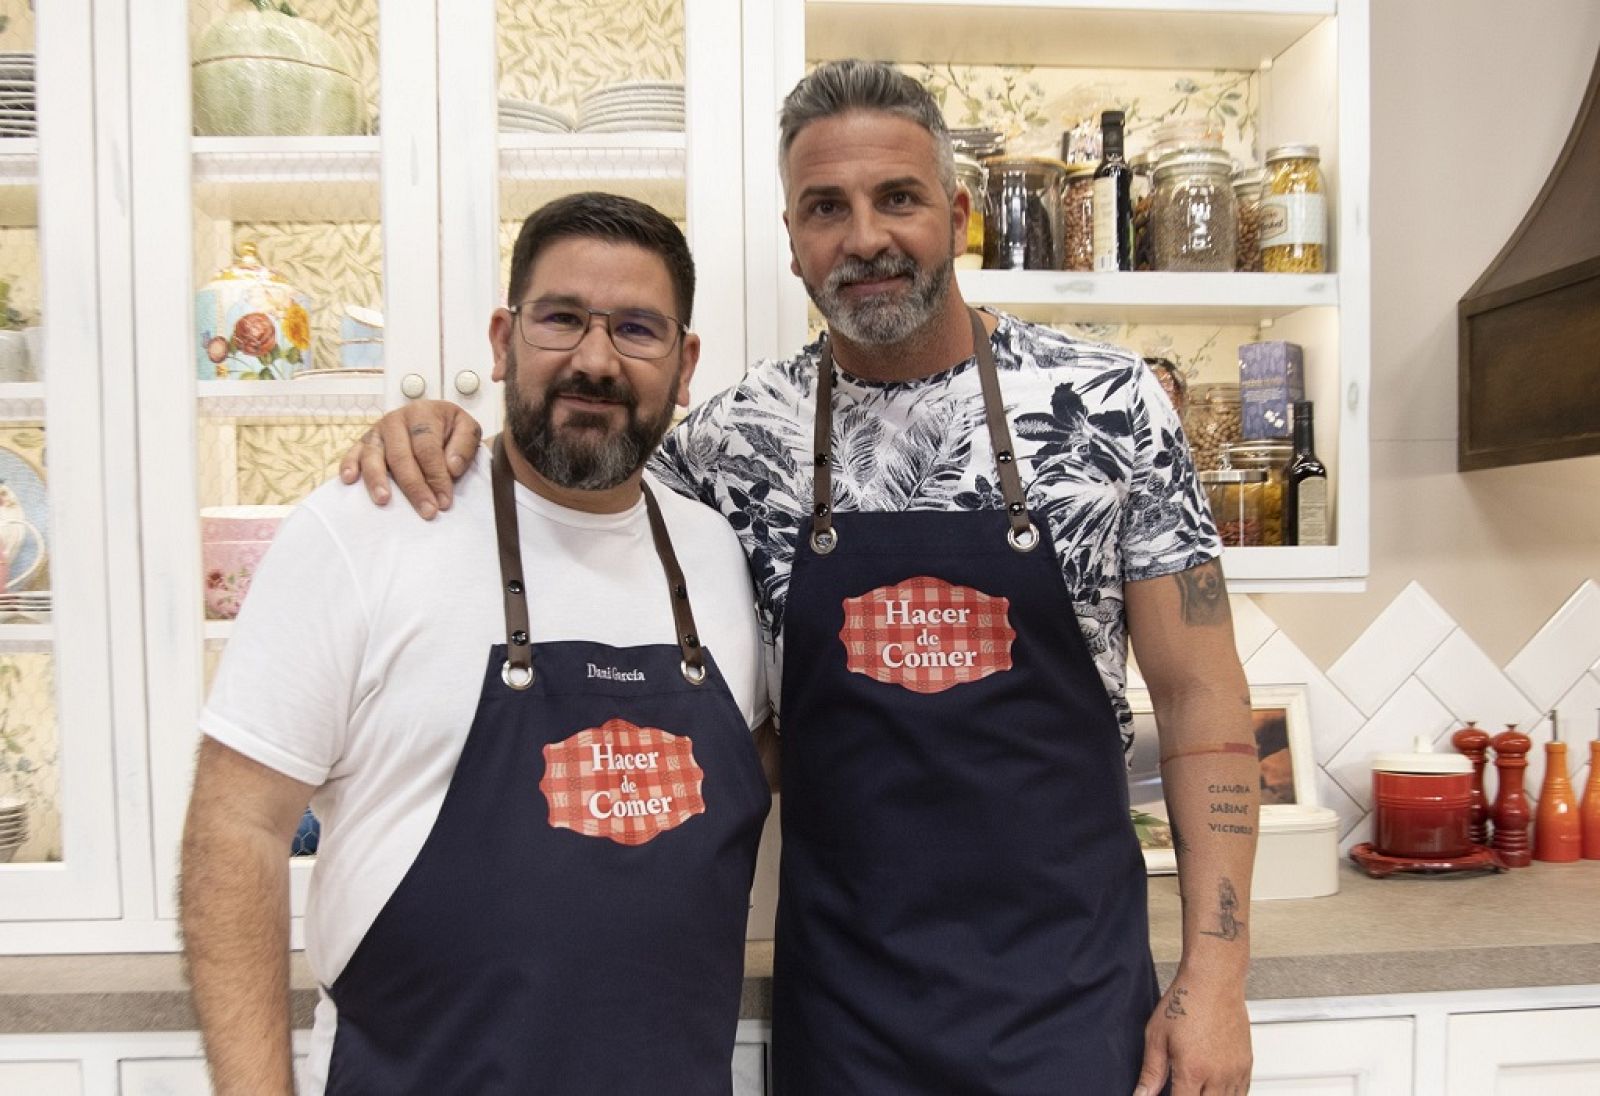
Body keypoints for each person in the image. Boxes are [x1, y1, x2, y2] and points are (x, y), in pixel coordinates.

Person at [343, 61, 1260, 1096]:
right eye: (825, 208)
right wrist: (446, 432)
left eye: (897, 198)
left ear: (956, 214)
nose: (863, 237)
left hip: (1074, 1007)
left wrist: (1215, 978)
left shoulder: (1106, 405)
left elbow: (1198, 698)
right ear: (791, 242)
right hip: (846, 1022)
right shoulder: (730, 446)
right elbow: (569, 479)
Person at [180, 192, 773, 1096]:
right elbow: (236, 825)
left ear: (685, 364)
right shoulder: (370, 526)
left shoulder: (717, 556)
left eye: (638, 330)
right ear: (503, 340)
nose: (594, 360)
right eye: (560, 319)